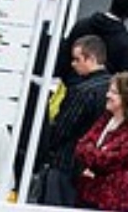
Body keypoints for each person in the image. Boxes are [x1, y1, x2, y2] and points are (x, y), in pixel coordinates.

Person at [39, 36, 113, 176]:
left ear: (91, 59)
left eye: (77, 59)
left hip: (66, 162)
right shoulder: (113, 87)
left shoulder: (82, 91)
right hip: (94, 162)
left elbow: (63, 129)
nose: (73, 64)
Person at [74, 73, 128, 212]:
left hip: (110, 199)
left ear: (127, 97)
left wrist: (91, 157)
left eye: (113, 92)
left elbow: (105, 161)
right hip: (87, 192)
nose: (107, 95)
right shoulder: (106, 118)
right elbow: (80, 146)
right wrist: (93, 155)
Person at [59, 0, 128, 79]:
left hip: (69, 82)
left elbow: (65, 54)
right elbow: (126, 77)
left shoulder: (81, 25)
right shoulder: (126, 43)